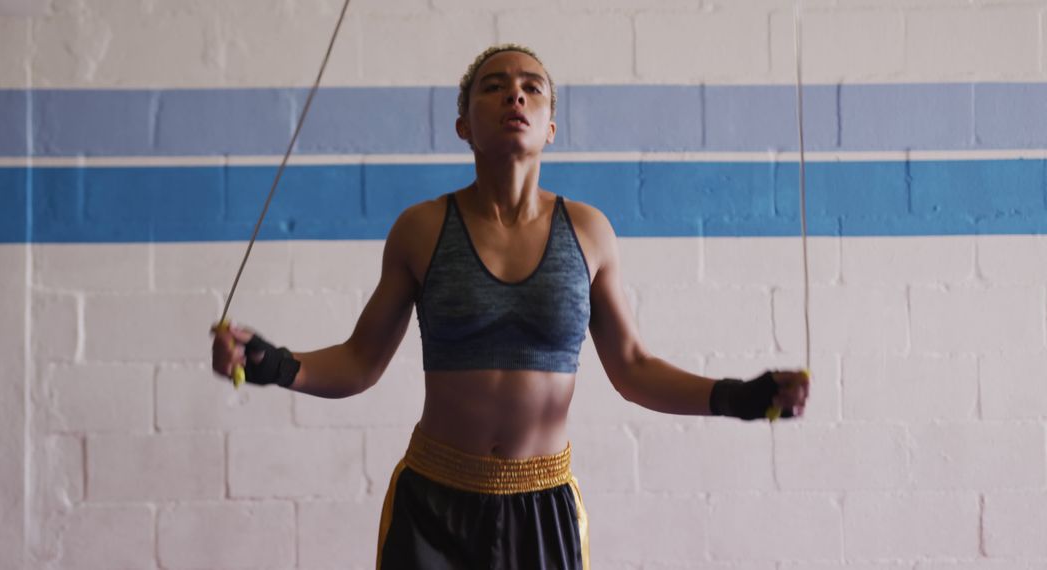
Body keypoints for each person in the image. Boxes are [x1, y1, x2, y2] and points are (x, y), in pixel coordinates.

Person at [212, 44, 809, 570]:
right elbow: (360, 361)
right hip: (433, 504)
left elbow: (633, 369)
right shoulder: (421, 229)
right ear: (463, 126)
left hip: (543, 505)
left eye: (531, 87)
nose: (514, 96)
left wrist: (739, 398)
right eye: (493, 87)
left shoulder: (589, 231)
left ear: (551, 126)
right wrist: (273, 364)